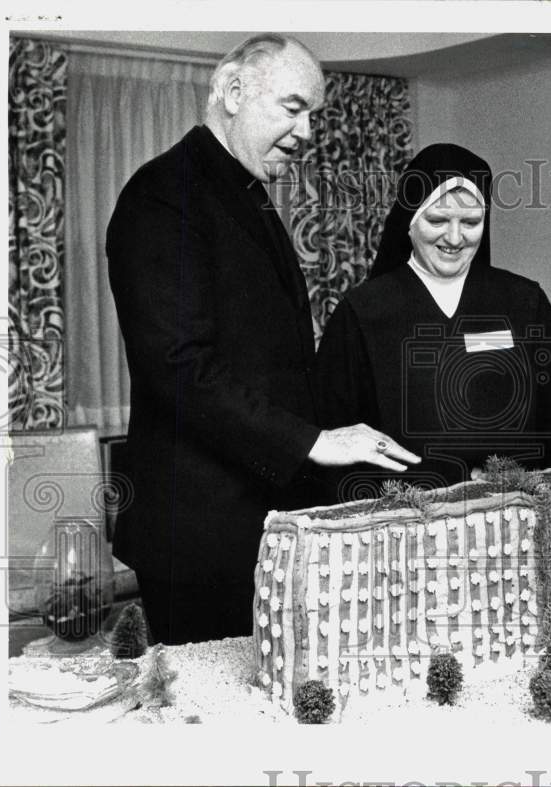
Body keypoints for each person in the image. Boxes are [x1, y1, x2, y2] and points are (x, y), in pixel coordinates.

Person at [106, 34, 418, 645]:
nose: (306, 132)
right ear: (231, 90)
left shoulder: (242, 191)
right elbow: (179, 369)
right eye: (292, 107)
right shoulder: (163, 195)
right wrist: (313, 442)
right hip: (198, 539)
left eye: (314, 116)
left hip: (253, 523)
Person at [314, 143, 551, 501]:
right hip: (402, 519)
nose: (455, 238)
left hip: (514, 511)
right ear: (409, 220)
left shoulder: (523, 301)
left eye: (471, 222)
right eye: (438, 220)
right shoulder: (362, 312)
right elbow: (334, 437)